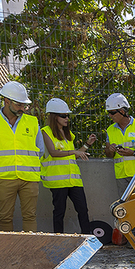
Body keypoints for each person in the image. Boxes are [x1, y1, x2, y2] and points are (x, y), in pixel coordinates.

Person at [0, 80, 41, 231]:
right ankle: (7, 252)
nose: (22, 108)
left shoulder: (32, 122)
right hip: (4, 178)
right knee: (4, 217)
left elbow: (40, 149)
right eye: (19, 105)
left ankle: (31, 252)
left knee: (30, 216)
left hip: (30, 178)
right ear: (6, 101)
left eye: (24, 105)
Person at [42, 98, 96, 234]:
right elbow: (53, 153)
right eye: (63, 116)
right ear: (54, 116)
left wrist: (87, 144)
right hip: (58, 181)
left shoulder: (68, 134)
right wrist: (73, 151)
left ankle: (87, 238)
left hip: (74, 180)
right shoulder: (45, 132)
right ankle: (58, 239)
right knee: (59, 212)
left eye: (68, 116)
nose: (67, 118)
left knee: (83, 209)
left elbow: (74, 155)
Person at [103, 93, 135, 242]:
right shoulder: (110, 130)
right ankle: (132, 236)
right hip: (122, 174)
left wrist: (134, 152)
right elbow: (108, 154)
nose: (110, 116)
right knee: (126, 207)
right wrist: (109, 150)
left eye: (112, 113)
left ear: (122, 111)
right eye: (108, 113)